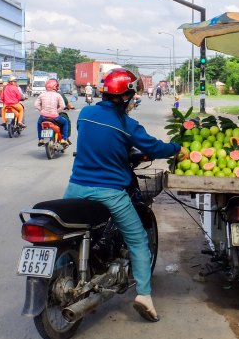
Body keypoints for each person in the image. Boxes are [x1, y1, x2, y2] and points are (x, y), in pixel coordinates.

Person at [64, 68, 182, 322]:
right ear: (127, 96)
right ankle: (144, 296)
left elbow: (96, 141)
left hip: (75, 188)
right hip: (110, 192)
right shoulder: (127, 125)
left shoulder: (85, 114)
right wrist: (177, 148)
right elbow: (154, 147)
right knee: (138, 240)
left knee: (73, 233)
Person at [35, 78, 71, 147]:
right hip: (55, 117)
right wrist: (56, 112)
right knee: (65, 122)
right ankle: (64, 139)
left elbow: (36, 105)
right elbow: (63, 106)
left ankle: (41, 139)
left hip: (43, 117)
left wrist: (42, 111)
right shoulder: (58, 95)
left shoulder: (42, 95)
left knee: (39, 123)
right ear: (55, 87)